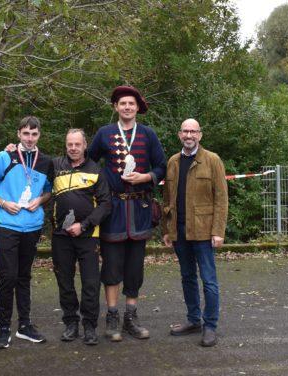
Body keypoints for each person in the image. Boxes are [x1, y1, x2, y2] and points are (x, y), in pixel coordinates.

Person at [88, 85, 167, 341]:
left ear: (137, 108)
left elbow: (162, 166)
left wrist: (146, 176)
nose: (127, 107)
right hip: (112, 210)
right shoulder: (104, 133)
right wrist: (102, 184)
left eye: (131, 104)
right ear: (116, 107)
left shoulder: (148, 135)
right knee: (111, 267)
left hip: (140, 209)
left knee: (134, 268)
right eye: (122, 103)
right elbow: (88, 161)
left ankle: (131, 317)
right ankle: (112, 317)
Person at [0, 116, 54, 349]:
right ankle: (3, 328)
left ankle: (24, 325)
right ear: (18, 134)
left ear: (39, 135)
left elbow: (49, 191)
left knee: (24, 277)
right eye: (25, 134)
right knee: (7, 277)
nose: (30, 138)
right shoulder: (5, 157)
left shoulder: (46, 162)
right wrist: (2, 202)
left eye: (34, 134)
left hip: (32, 227)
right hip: (8, 226)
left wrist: (40, 200)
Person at [162, 118, 228, 347]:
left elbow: (221, 198)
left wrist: (218, 231)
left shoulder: (212, 160)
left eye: (193, 131)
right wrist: (167, 229)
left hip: (203, 231)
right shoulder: (173, 161)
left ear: (200, 135)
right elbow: (167, 198)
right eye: (185, 131)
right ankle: (193, 320)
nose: (189, 135)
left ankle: (210, 325)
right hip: (179, 231)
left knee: (209, 280)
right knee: (187, 277)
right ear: (179, 134)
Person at [51, 129, 111, 346]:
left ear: (85, 145)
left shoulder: (96, 170)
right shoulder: (56, 166)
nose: (73, 148)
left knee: (90, 283)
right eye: (70, 144)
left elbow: (106, 204)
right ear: (65, 145)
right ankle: (71, 322)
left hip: (88, 236)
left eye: (77, 144)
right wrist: (13, 149)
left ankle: (89, 325)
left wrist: (84, 225)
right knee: (64, 281)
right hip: (60, 236)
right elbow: (32, 165)